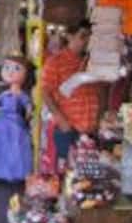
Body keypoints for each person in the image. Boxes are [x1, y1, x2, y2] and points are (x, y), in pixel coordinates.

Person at [40, 21, 107, 168]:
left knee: (87, 176)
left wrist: (100, 119)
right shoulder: (55, 62)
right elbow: (45, 93)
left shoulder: (94, 63)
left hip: (92, 129)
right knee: (66, 172)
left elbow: (101, 91)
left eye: (90, 37)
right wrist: (62, 120)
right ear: (69, 36)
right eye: (83, 36)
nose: (87, 41)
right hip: (68, 127)